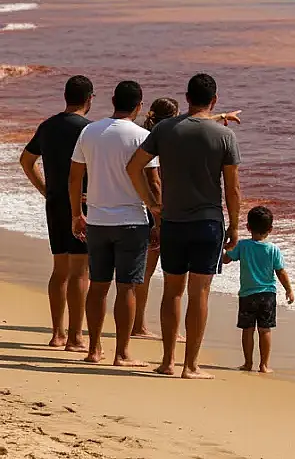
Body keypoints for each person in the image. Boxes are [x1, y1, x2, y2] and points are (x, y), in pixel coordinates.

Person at [127, 73, 241, 380]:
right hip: (208, 223)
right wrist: (235, 225)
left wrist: (152, 204)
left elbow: (133, 167)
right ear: (214, 100)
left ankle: (167, 362)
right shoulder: (224, 136)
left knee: (172, 292)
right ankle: (191, 366)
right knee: (199, 293)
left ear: (187, 97)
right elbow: (232, 188)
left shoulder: (164, 129)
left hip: (173, 221)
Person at [68, 81, 158, 366]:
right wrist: (159, 219)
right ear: (139, 105)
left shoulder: (89, 131)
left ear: (112, 100)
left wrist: (76, 214)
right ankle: (122, 353)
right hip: (132, 219)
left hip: (96, 219)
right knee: (127, 287)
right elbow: (154, 183)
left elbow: (74, 178)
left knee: (98, 285)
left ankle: (94, 350)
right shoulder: (142, 136)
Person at [19, 75, 93, 351]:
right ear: (89, 99)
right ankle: (75, 337)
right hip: (81, 205)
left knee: (60, 269)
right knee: (80, 271)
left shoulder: (47, 126)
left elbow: (26, 161)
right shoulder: (89, 129)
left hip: (55, 204)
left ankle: (57, 334)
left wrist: (45, 190)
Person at [223, 206, 294, 374]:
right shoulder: (273, 249)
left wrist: (225, 247)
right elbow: (280, 271)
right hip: (268, 294)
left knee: (247, 330)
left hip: (247, 294)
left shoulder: (243, 246)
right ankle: (264, 365)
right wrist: (289, 290)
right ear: (270, 229)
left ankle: (248, 363)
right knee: (265, 330)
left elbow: (226, 260)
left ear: (248, 227)